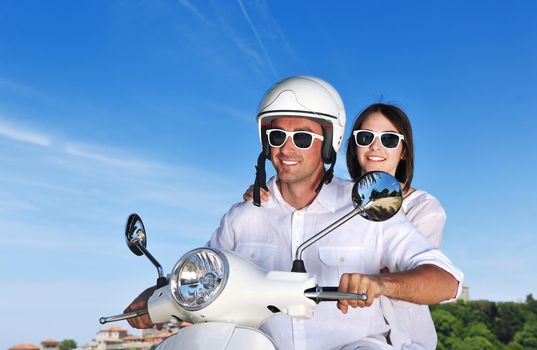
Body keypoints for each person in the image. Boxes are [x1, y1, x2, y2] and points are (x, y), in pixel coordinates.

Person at [125, 76, 463, 350]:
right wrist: (157, 297)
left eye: (302, 137)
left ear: (329, 142)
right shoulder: (241, 217)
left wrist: (381, 283)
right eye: (276, 135)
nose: (286, 148)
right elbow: (203, 279)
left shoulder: (364, 208)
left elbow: (446, 283)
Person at [246, 103, 446, 349]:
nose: (376, 146)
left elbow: (403, 270)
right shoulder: (339, 201)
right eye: (365, 137)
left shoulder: (423, 207)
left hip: (402, 336)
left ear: (404, 150)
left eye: (390, 140)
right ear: (353, 145)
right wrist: (277, 197)